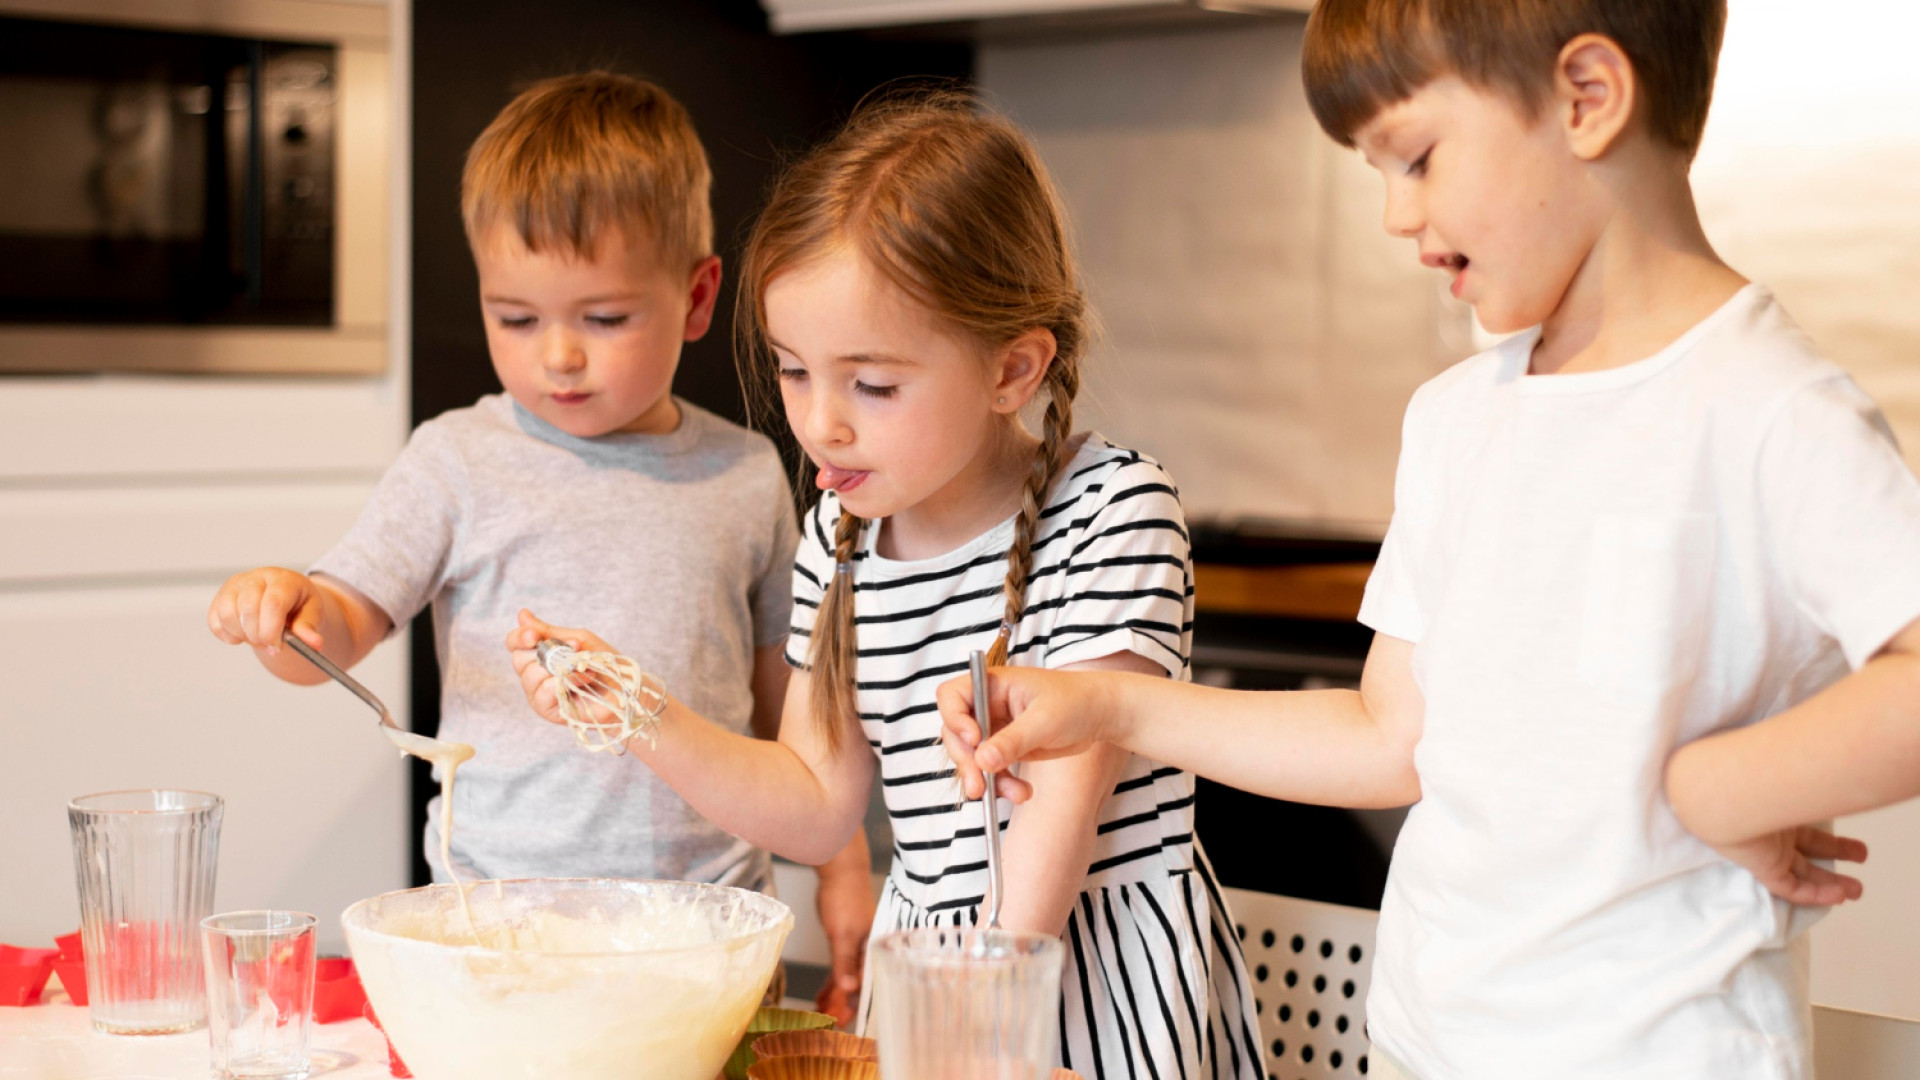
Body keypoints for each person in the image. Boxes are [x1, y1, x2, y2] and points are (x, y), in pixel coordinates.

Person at [938, 2, 1920, 1077]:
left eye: (1414, 158)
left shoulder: (1768, 409)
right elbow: (1385, 736)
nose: (1397, 216)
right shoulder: (1459, 419)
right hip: (1424, 1048)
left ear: (1586, 99)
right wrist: (1111, 705)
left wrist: (1715, 789)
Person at [510, 92, 1265, 1079]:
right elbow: (817, 803)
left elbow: (1061, 798)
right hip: (937, 991)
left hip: (1077, 983)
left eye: (872, 385)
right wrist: (637, 709)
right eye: (793, 373)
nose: (821, 423)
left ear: (1013, 368)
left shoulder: (1112, 508)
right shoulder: (843, 533)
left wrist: (984, 1018)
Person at [205, 72, 875, 1016]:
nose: (557, 355)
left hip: (710, 929)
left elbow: (790, 708)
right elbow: (341, 628)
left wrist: (844, 861)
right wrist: (284, 612)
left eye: (603, 319)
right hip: (496, 926)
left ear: (696, 296)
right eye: (515, 318)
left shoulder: (749, 474)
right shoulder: (457, 460)